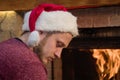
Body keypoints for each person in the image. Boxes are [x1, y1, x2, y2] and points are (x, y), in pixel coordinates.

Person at [0, 3, 79, 80]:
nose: (58, 55)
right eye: (58, 44)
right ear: (40, 31)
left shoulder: (6, 46)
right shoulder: (30, 65)